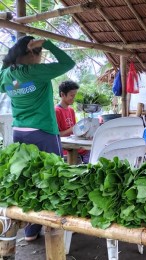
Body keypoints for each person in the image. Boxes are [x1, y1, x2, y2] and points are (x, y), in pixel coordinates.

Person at [0, 36, 75, 241]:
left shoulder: (6, 75)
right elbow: (69, 63)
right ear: (33, 53)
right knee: (53, 178)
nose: (42, 58)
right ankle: (54, 228)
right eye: (41, 54)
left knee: (30, 180)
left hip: (20, 132)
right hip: (43, 132)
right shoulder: (36, 72)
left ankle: (31, 231)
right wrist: (48, 43)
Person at [55, 80, 90, 163]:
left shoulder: (71, 110)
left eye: (75, 95)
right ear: (62, 94)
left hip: (77, 147)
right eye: (72, 95)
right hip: (66, 150)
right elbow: (56, 135)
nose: (74, 98)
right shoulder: (56, 111)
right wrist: (72, 129)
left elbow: (75, 131)